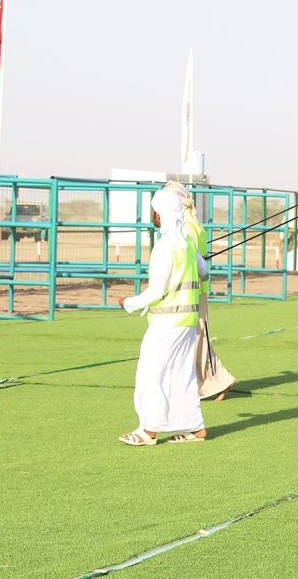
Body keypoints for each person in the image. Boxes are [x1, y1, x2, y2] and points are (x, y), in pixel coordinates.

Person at [117, 189, 208, 445]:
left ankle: (148, 431)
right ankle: (196, 428)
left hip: (166, 323)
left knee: (149, 374)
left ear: (159, 214)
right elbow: (205, 271)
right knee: (182, 375)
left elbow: (156, 291)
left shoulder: (164, 247)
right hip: (188, 322)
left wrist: (129, 304)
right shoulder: (187, 242)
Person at [163, 181, 237, 401]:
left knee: (196, 338)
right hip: (193, 289)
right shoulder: (193, 223)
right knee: (194, 338)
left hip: (187, 291)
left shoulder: (184, 225)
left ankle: (218, 381)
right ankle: (207, 383)